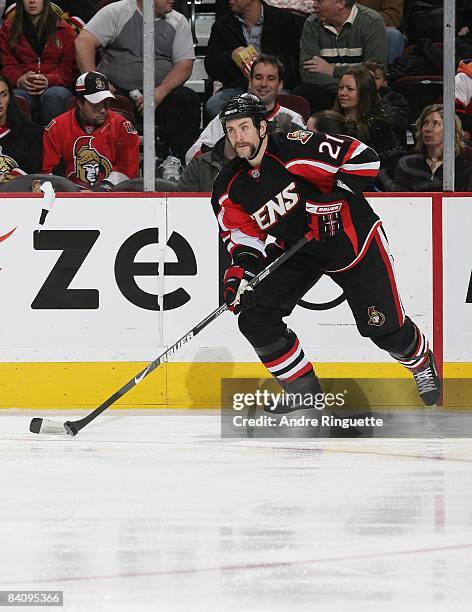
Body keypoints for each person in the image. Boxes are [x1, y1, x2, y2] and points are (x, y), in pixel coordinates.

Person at [211, 93, 440, 412]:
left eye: (244, 127)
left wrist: (331, 200)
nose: (238, 137)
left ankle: (419, 359)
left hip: (352, 239)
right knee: (255, 317)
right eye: (231, 130)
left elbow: (364, 159)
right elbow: (242, 236)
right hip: (299, 248)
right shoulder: (229, 186)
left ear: (262, 127)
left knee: (386, 332)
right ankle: (302, 389)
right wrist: (241, 275)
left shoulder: (295, 146)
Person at [74, 0, 200, 164]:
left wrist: (158, 93)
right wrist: (98, 84)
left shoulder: (179, 21)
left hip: (161, 92)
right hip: (116, 89)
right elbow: (83, 42)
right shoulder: (117, 12)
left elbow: (184, 65)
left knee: (186, 100)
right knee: (99, 103)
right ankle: (104, 163)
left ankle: (175, 162)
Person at [186, 55, 306, 163]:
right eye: (258, 77)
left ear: (280, 85)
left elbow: (306, 159)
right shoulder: (228, 116)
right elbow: (192, 155)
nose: (263, 84)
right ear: (250, 81)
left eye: (270, 79)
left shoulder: (293, 119)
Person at [204, 0, 305, 122]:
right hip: (238, 87)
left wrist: (268, 65)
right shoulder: (223, 25)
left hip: (275, 87)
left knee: (286, 105)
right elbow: (210, 65)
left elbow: (295, 63)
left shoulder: (284, 20)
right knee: (214, 105)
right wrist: (230, 56)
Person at [41, 71, 139, 190]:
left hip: (113, 198)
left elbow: (128, 170)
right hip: (68, 198)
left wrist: (102, 189)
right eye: (96, 105)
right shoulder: (56, 128)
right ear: (80, 102)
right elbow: (49, 172)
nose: (103, 110)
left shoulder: (122, 127)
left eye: (106, 103)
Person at [296, 0, 387, 113]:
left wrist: (334, 71)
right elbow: (308, 75)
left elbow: (374, 75)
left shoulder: (371, 22)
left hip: (363, 96)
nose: (313, 5)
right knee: (304, 91)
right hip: (328, 93)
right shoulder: (311, 23)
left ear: (341, 3)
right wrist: (347, 89)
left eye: (320, 1)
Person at [0, 0, 76, 125]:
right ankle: (19, 143)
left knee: (54, 96)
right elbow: (7, 66)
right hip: (23, 88)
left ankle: (54, 142)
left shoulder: (64, 30)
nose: (32, 1)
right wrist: (19, 79)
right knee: (17, 97)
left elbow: (69, 70)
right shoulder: (8, 29)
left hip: (56, 86)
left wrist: (48, 80)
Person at [332, 65, 404, 179]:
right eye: (341, 88)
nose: (342, 93)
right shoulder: (330, 122)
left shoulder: (379, 127)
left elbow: (386, 165)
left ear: (364, 92)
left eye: (349, 89)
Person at [392, 103, 472, 192]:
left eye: (436, 123)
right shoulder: (407, 163)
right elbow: (399, 200)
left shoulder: (465, 165)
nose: (428, 129)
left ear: (451, 129)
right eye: (425, 123)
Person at [0, 74, 43, 183]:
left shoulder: (31, 133)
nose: (0, 101)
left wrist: (7, 180)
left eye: (4, 95)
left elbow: (32, 166)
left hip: (18, 194)